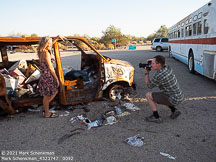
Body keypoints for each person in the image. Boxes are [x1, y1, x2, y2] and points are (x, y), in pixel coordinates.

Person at [144, 55, 184, 123]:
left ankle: (156, 117)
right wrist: (153, 59)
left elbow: (148, 85)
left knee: (148, 95)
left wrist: (146, 72)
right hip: (179, 96)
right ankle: (174, 111)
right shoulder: (167, 67)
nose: (151, 65)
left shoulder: (160, 75)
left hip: (173, 99)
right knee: (164, 94)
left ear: (159, 64)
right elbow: (163, 62)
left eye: (153, 63)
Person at [38, 36, 59, 118]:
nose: (50, 44)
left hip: (44, 75)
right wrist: (56, 78)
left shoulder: (40, 51)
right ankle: (47, 113)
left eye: (51, 43)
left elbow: (50, 44)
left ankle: (45, 108)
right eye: (49, 43)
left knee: (48, 94)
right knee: (49, 95)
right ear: (45, 44)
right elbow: (50, 67)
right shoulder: (46, 53)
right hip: (48, 75)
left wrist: (56, 38)